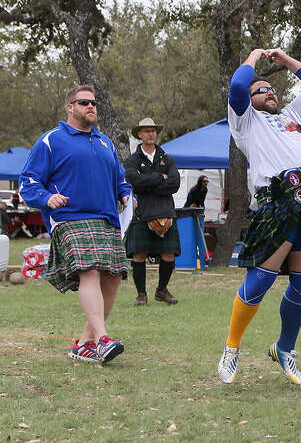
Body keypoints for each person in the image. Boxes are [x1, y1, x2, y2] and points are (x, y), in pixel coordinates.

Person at [218, 48, 301, 386]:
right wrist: (253, 58)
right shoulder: (245, 121)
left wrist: (286, 61)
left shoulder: (294, 114)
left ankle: (284, 348)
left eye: (272, 89)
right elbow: (238, 87)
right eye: (262, 90)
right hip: (275, 198)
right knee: (262, 278)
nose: (270, 92)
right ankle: (232, 346)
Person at [20, 83, 132, 364]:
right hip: (70, 217)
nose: (91, 106)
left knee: (114, 277)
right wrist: (47, 198)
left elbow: (119, 178)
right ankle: (103, 339)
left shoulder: (105, 142)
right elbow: (28, 182)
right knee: (90, 271)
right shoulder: (51, 140)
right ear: (70, 108)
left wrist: (126, 193)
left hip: (107, 218)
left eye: (93, 102)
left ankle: (85, 344)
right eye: (84, 103)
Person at [122, 117, 182, 306]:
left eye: (153, 130)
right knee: (139, 254)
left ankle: (162, 291)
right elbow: (134, 182)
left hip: (166, 211)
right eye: (146, 131)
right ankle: (141, 294)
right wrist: (159, 177)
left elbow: (174, 184)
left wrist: (147, 181)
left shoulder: (167, 158)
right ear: (139, 135)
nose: (151, 134)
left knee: (169, 254)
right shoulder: (132, 160)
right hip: (142, 213)